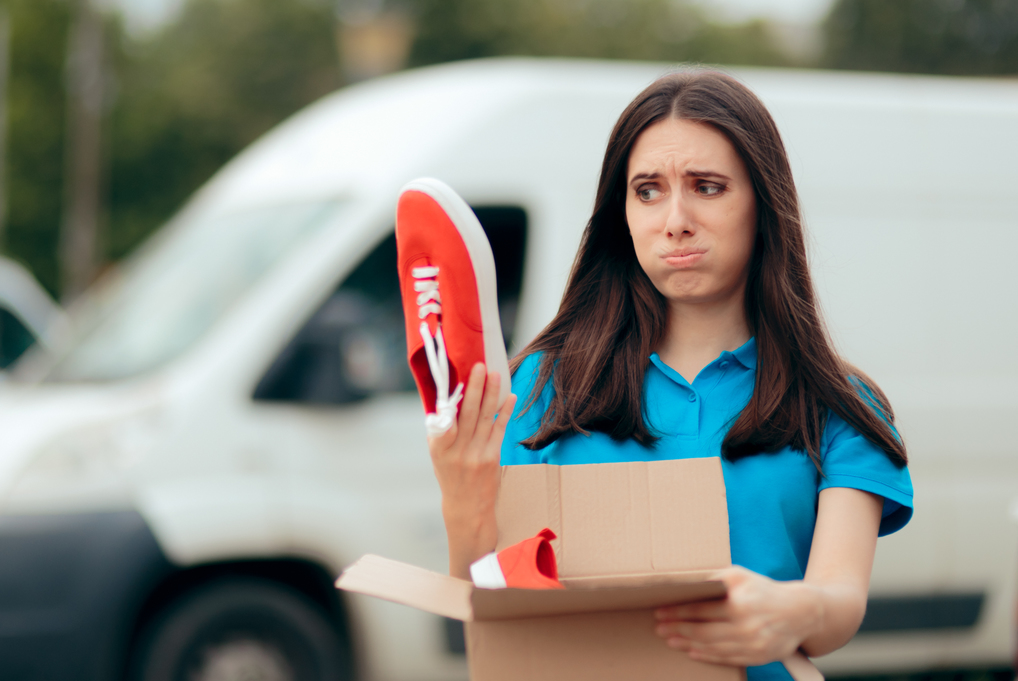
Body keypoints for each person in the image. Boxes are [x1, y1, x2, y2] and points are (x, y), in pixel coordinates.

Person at [424, 71, 913, 680]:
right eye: (648, 191)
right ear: (621, 215)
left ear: (764, 203)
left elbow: (840, 604)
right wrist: (460, 501)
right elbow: (488, 604)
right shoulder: (540, 389)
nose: (674, 219)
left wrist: (790, 608)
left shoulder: (838, 405)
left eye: (707, 187)